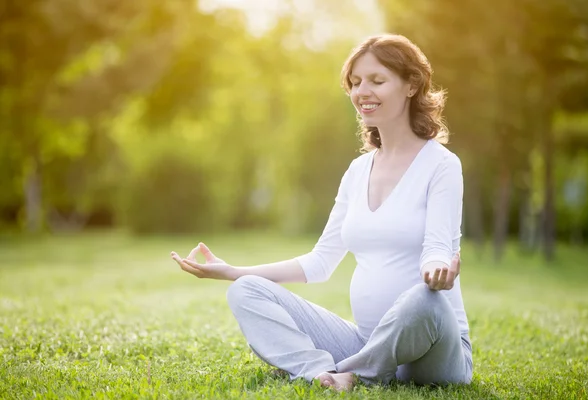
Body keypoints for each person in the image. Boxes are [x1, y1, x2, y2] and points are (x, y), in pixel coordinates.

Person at [171, 34, 472, 392]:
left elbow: (438, 246)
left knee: (425, 300)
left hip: (433, 351)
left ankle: (354, 373)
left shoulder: (441, 165)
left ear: (411, 86)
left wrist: (436, 271)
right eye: (356, 83)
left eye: (377, 81)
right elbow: (319, 262)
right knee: (246, 291)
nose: (363, 92)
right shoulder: (357, 171)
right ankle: (322, 372)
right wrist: (232, 271)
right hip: (366, 339)